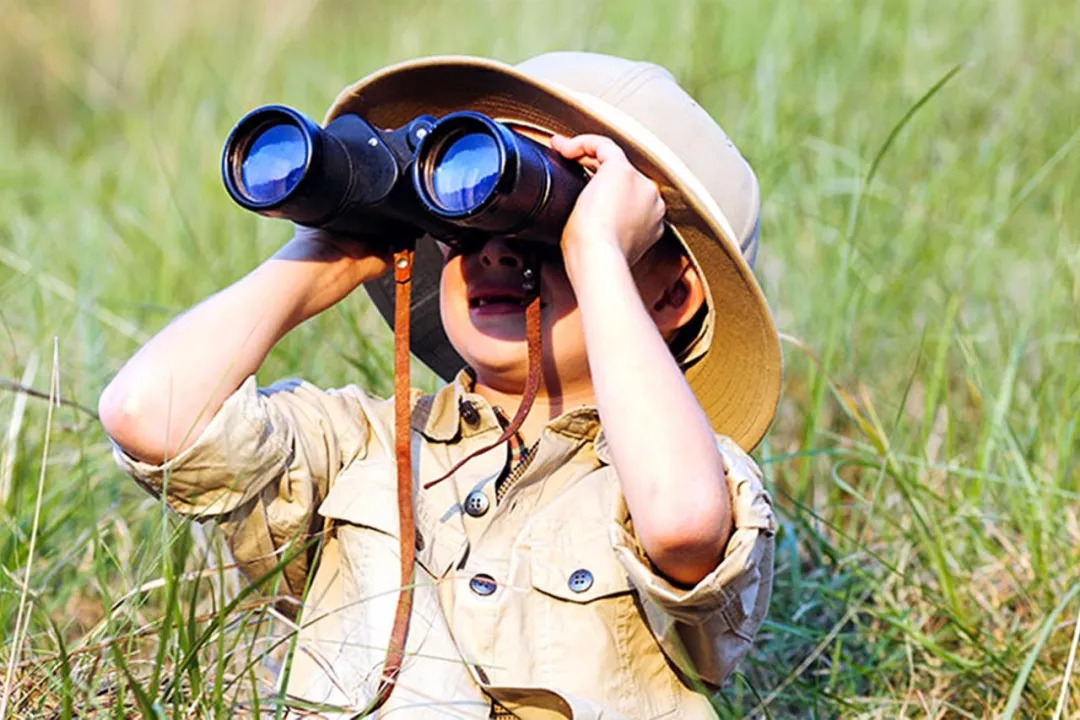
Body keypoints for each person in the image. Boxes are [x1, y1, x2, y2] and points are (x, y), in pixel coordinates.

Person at [98, 52, 782, 719]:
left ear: (672, 298)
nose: (495, 249)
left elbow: (682, 527)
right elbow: (147, 415)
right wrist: (331, 246)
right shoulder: (360, 446)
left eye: (545, 223)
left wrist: (594, 246)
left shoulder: (682, 477)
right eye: (466, 224)